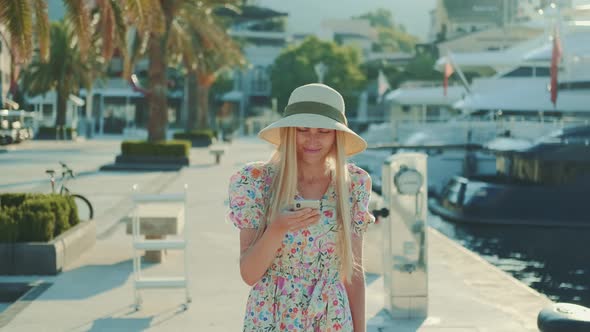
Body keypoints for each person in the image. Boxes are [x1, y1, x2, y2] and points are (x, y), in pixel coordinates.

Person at [227, 83, 375, 331]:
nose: (312, 140)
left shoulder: (354, 184)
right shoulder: (255, 181)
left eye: (324, 131)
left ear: (337, 135)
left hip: (332, 316)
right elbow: (249, 274)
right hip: (272, 314)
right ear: (289, 132)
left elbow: (354, 274)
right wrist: (277, 228)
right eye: (303, 129)